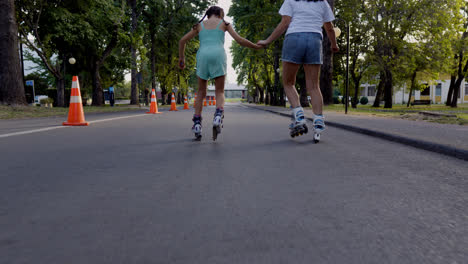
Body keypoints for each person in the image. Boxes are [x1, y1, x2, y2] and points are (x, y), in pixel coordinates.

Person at [257, 0, 339, 142]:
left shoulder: (291, 1)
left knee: (288, 83)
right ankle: (318, 121)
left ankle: (299, 115)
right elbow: (330, 28)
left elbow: (284, 23)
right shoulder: (322, 3)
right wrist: (334, 44)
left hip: (294, 38)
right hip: (314, 40)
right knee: (313, 86)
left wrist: (267, 41)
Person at [179, 6, 261, 141]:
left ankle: (197, 124)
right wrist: (255, 46)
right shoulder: (224, 24)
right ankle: (218, 115)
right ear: (219, 14)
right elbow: (239, 40)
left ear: (208, 14)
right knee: (219, 91)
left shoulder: (199, 25)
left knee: (201, 92)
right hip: (218, 55)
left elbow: (182, 41)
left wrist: (182, 58)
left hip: (203, 56)